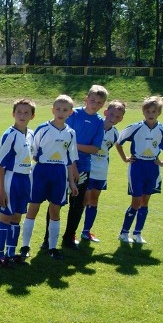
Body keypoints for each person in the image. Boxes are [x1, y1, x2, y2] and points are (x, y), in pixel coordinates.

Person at [19, 95, 79, 261]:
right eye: (58, 109)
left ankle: (53, 248)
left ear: (71, 112)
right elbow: (33, 152)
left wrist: (72, 183)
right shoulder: (42, 128)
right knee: (33, 208)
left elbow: (69, 160)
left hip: (59, 174)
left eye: (65, 110)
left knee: (55, 210)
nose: (61, 112)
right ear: (53, 110)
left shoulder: (71, 133)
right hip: (41, 172)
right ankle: (25, 246)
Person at [47, 85, 107, 250]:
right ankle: (48, 239)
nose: (94, 104)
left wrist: (73, 145)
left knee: (78, 203)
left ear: (102, 105)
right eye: (92, 100)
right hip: (60, 163)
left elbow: (95, 148)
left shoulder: (99, 122)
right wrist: (73, 147)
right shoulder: (72, 113)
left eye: (99, 102)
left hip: (83, 166)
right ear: (86, 98)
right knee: (55, 201)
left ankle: (68, 238)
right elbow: (61, 135)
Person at [115, 96, 163, 244]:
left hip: (152, 168)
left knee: (145, 202)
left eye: (154, 111)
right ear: (143, 112)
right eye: (148, 111)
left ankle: (137, 233)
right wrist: (125, 158)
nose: (151, 114)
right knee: (136, 202)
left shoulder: (162, 130)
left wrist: (162, 162)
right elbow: (119, 142)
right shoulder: (136, 127)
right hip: (137, 166)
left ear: (159, 113)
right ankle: (124, 233)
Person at [0, 99, 36, 265]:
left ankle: (10, 254)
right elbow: (0, 165)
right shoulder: (9, 134)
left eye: (26, 112)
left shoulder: (30, 133)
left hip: (25, 179)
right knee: (5, 217)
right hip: (11, 179)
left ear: (32, 116)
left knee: (17, 217)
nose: (22, 115)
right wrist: (2, 191)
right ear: (13, 114)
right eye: (19, 112)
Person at [81, 100, 125, 242]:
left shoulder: (115, 134)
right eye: (112, 114)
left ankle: (86, 231)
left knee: (94, 200)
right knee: (83, 200)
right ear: (106, 112)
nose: (114, 118)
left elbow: (109, 148)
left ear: (121, 119)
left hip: (101, 171)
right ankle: (73, 232)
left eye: (118, 116)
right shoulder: (95, 126)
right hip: (87, 167)